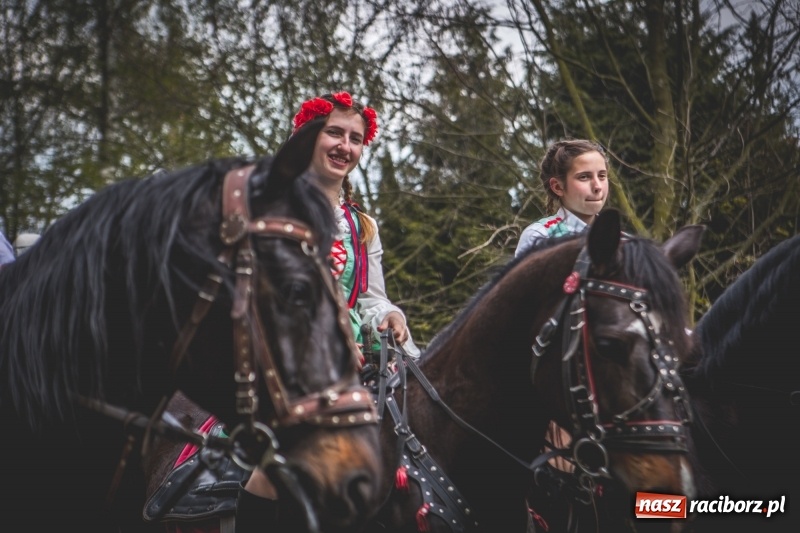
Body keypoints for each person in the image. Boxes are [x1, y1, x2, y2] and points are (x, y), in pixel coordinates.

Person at [237, 91, 419, 530]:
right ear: (307, 137)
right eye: (333, 132)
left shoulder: (363, 225)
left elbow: (370, 296)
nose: (345, 145)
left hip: (357, 355)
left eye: (355, 138)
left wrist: (391, 316)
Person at [515, 138, 609, 257]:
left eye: (602, 176)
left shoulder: (622, 241)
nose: (597, 186)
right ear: (558, 187)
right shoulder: (540, 237)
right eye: (584, 177)